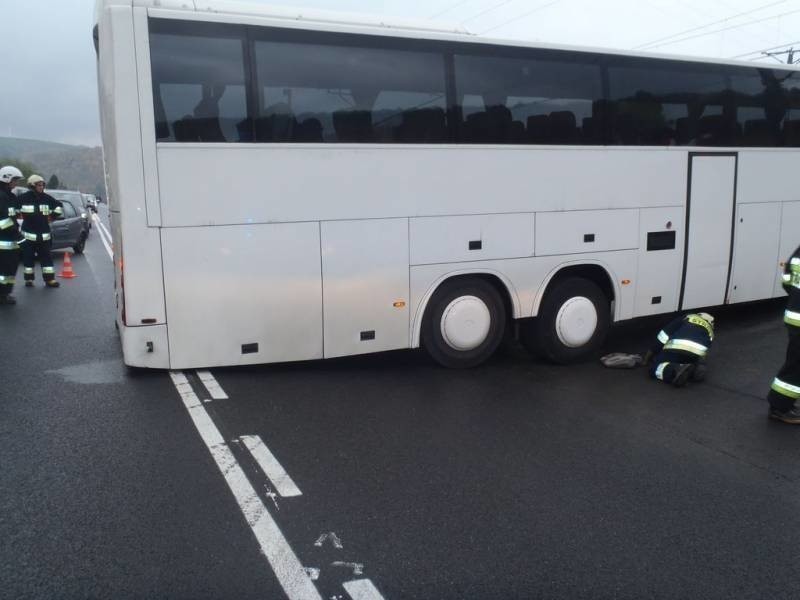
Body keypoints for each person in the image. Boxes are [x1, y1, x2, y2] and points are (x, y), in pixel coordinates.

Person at [766, 244, 800, 424]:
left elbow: (787, 280)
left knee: (794, 362)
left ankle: (781, 405)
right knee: (796, 367)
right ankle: (780, 408)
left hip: (794, 316)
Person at [645, 312, 714, 387]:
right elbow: (705, 350)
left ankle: (675, 371)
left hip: (676, 348)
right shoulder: (710, 331)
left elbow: (663, 336)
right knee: (687, 361)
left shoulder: (687, 317)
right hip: (694, 354)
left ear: (699, 315)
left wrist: (647, 357)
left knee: (654, 367)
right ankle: (694, 370)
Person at [17, 174, 62, 288]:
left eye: (42, 185)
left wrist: (52, 216)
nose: (42, 187)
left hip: (44, 236)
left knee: (47, 259)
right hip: (28, 236)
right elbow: (14, 209)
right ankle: (29, 279)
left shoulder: (47, 198)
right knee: (28, 260)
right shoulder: (23, 198)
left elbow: (59, 206)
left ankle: (49, 280)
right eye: (39, 185)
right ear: (32, 186)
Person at [0, 165, 25, 305]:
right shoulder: (1, 197)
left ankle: (6, 293)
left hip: (11, 241)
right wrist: (18, 235)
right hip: (4, 242)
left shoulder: (10, 196)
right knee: (4, 271)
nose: (16, 183)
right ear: (7, 179)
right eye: (15, 180)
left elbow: (13, 216)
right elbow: (3, 221)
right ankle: (3, 294)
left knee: (10, 270)